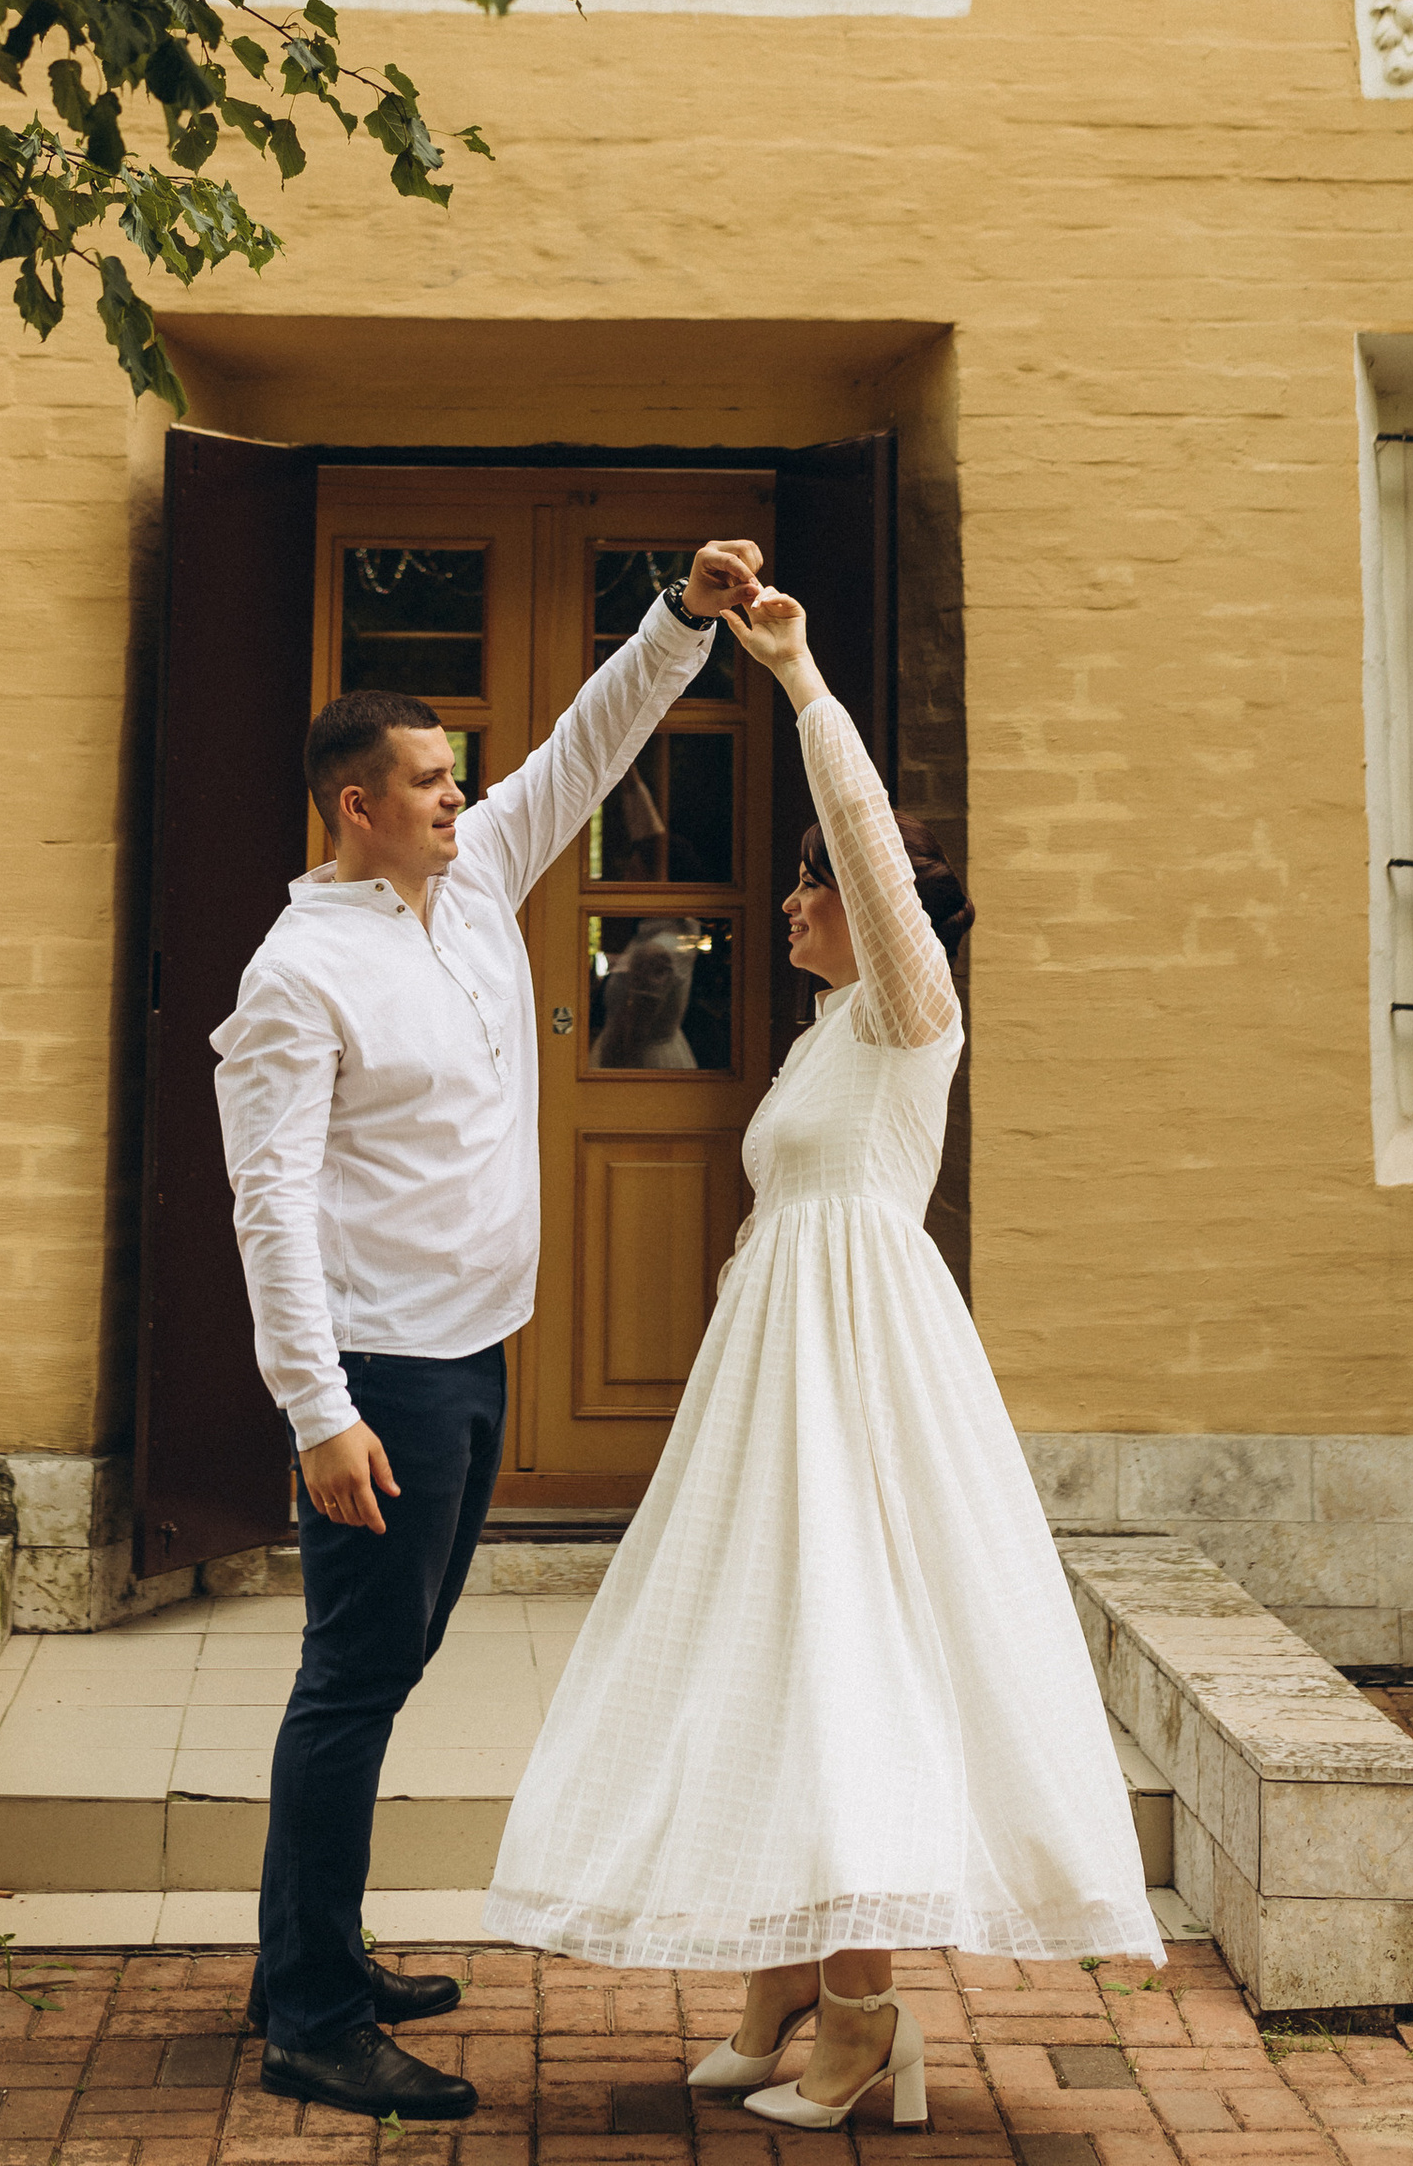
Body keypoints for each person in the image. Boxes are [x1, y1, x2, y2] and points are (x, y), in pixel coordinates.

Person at [485, 583, 1162, 2125]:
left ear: (869, 909)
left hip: (865, 1385)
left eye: (809, 892)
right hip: (781, 1380)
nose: (786, 909)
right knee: (777, 1651)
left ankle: (865, 2015)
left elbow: (861, 840)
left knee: (850, 1655)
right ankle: (785, 1993)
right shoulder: (816, 1039)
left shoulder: (912, 1013)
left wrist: (795, 682)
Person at [212, 532, 766, 2124]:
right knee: (353, 1680)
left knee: (383, 1668)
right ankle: (312, 2015)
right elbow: (269, 1210)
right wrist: (319, 1414)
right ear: (354, 806)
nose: (461, 797)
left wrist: (682, 618)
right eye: (431, 782)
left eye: (459, 777)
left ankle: (306, 1952)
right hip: (381, 1373)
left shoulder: (469, 889)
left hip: (473, 1354)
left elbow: (593, 738)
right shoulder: (293, 976)